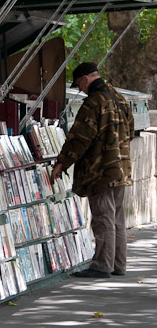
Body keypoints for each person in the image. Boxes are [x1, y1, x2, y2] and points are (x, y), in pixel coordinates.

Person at [51, 62, 134, 279]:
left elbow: (79, 138)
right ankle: (118, 264)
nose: (79, 89)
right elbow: (131, 130)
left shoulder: (94, 102)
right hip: (121, 168)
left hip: (100, 171)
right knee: (117, 218)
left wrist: (62, 163)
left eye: (79, 84)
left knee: (103, 218)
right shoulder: (119, 98)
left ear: (86, 78)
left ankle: (101, 266)